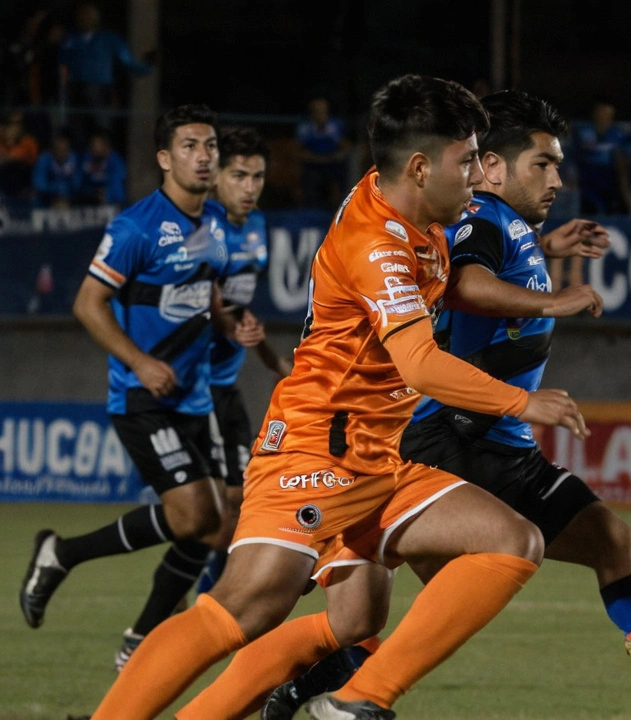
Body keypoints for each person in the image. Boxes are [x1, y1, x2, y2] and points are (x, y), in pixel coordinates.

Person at [180, 90, 631, 720]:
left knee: (607, 540)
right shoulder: (476, 218)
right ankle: (340, 696)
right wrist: (550, 302)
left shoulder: (507, 226)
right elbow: (462, 281)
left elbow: (468, 268)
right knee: (368, 604)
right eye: (541, 164)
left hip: (500, 448)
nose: (557, 178)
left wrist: (543, 251)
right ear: (489, 166)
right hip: (445, 438)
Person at [85, 75, 587, 720]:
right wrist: (522, 403)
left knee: (478, 556)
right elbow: (421, 363)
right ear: (418, 165)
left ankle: (353, 702)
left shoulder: (425, 211)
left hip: (375, 452)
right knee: (246, 606)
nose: (476, 177)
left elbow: (451, 285)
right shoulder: (376, 242)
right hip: (317, 448)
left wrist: (542, 260)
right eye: (466, 161)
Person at [20, 105, 250, 673]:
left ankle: (133, 631)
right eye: (191, 146)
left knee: (214, 525)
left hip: (196, 396)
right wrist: (140, 361)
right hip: (144, 398)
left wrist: (226, 321)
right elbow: (86, 303)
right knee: (198, 515)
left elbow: (206, 291)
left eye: (211, 145)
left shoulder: (214, 225)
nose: (204, 155)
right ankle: (67, 558)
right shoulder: (135, 227)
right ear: (165, 158)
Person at [194, 126, 293, 595]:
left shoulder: (255, 226)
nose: (250, 187)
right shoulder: (202, 222)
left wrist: (272, 360)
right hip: (193, 381)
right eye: (239, 176)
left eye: (257, 176)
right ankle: (196, 597)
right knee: (215, 506)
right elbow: (208, 298)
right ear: (216, 177)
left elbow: (236, 303)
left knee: (236, 499)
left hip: (225, 380)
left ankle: (204, 596)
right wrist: (229, 326)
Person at [58, 2, 154, 140]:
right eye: (82, 15)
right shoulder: (71, 39)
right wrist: (63, 92)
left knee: (102, 133)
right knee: (76, 132)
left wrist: (147, 67)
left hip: (100, 92)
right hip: (76, 92)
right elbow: (61, 65)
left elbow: (128, 62)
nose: (85, 18)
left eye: (89, 15)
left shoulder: (110, 39)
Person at [573, 98, 627, 215]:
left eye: (608, 114)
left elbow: (620, 161)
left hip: (608, 180)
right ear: (595, 113)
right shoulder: (582, 132)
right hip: (587, 180)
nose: (604, 117)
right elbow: (575, 156)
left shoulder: (617, 134)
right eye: (601, 113)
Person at [296, 97, 351, 208]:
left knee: (342, 174)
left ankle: (343, 209)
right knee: (309, 179)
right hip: (312, 165)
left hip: (333, 164)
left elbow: (346, 147)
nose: (320, 114)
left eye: (323, 111)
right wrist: (316, 159)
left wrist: (335, 156)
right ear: (311, 113)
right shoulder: (305, 128)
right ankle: (311, 211)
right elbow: (298, 151)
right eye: (316, 111)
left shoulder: (335, 126)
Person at [77, 127, 126, 205]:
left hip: (111, 204)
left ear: (105, 145)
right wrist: (93, 193)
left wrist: (107, 195)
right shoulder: (87, 159)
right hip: (90, 202)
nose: (93, 148)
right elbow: (79, 185)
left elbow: (118, 192)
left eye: (96, 145)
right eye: (92, 145)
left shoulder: (115, 161)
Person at [32, 131, 80, 207]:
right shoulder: (44, 159)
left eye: (64, 150)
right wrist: (56, 189)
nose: (60, 153)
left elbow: (78, 184)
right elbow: (39, 184)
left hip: (70, 199)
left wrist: (65, 191)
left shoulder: (75, 159)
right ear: (53, 149)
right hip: (48, 199)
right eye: (58, 149)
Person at [0, 110, 39, 199]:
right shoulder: (3, 143)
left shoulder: (28, 142)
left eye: (19, 124)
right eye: (12, 124)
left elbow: (12, 157)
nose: (16, 128)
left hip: (24, 183)